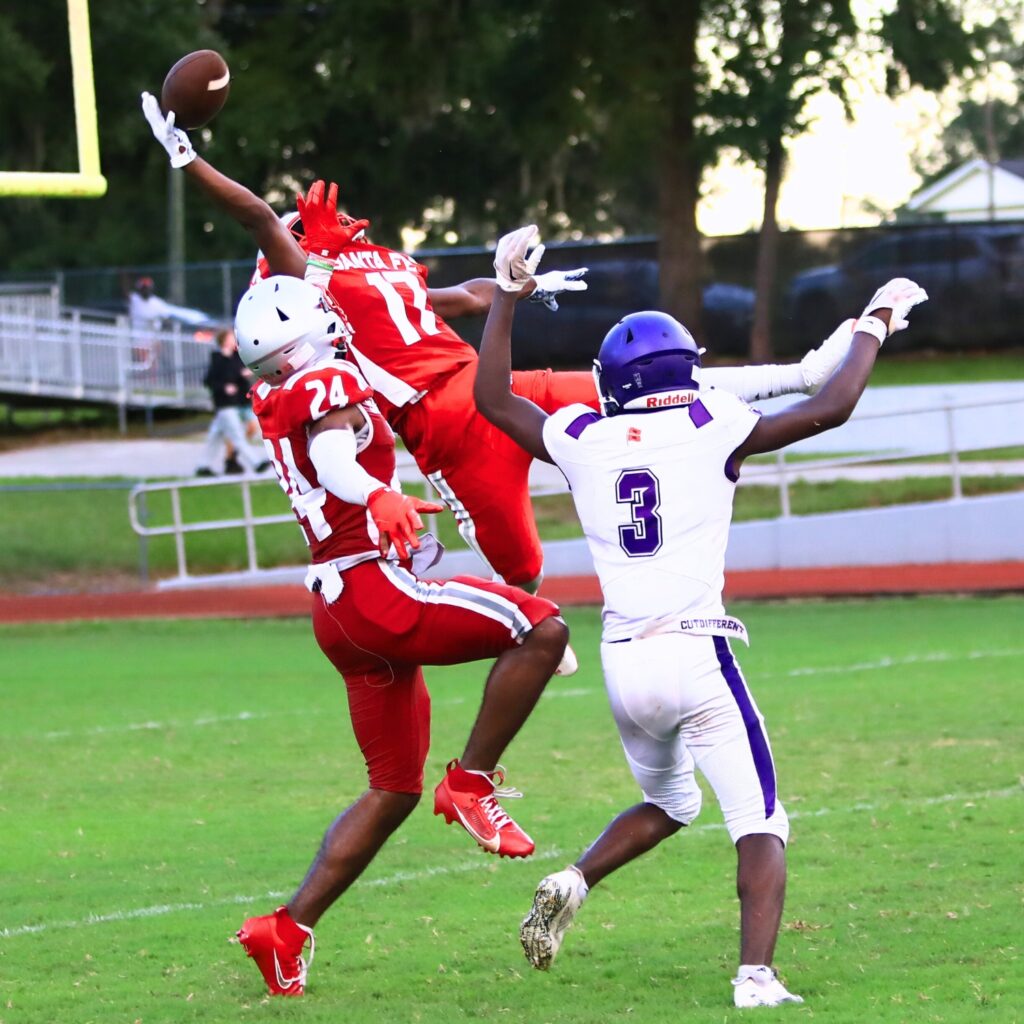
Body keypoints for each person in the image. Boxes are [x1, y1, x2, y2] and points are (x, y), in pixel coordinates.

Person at [141, 92, 859, 592]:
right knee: (521, 573)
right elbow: (261, 218)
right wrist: (187, 160)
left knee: (646, 395)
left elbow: (465, 299)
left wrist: (516, 283)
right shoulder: (314, 278)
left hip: (488, 385)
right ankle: (491, 609)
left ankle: (799, 373)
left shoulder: (385, 262)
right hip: (446, 419)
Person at [472, 225, 928, 1009]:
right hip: (695, 652)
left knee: (674, 802)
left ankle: (574, 876)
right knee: (760, 819)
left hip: (622, 660)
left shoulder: (582, 436)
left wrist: (508, 298)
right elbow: (834, 403)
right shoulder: (711, 423)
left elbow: (490, 398)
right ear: (685, 369)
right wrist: (876, 320)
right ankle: (756, 977)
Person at [230, 274, 572, 997]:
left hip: (338, 609)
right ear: (305, 331)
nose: (336, 315)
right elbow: (332, 458)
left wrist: (276, 258)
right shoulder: (322, 379)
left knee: (390, 789)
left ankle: (285, 930)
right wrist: (378, 492)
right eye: (323, 311)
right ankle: (472, 784)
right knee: (541, 627)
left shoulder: (276, 389)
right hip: (373, 590)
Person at [195, 327, 270, 476]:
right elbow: (210, 381)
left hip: (235, 402)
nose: (233, 340)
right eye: (230, 337)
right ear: (223, 340)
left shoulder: (235, 357)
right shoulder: (217, 359)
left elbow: (237, 376)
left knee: (214, 436)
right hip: (224, 403)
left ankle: (203, 466)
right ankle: (256, 463)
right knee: (236, 435)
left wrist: (243, 374)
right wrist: (224, 387)